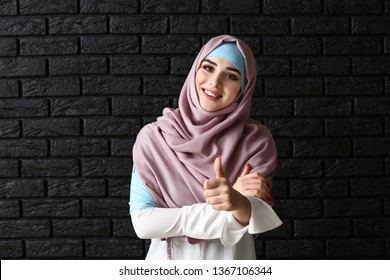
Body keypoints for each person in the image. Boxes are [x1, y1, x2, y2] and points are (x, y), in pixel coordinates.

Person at [129, 35, 282, 260]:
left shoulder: (257, 142)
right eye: (208, 68)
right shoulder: (155, 138)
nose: (215, 82)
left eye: (231, 76)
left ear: (244, 87)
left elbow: (254, 224)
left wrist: (239, 204)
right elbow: (143, 224)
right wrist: (232, 203)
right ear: (194, 71)